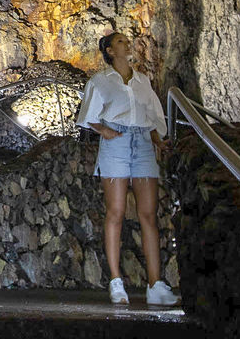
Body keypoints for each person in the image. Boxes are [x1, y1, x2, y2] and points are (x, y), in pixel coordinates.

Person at [74, 32, 180, 306]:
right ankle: (116, 281)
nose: (127, 43)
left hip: (143, 141)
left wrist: (158, 140)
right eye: (120, 41)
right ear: (109, 50)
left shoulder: (143, 81)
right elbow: (87, 115)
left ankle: (155, 284)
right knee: (116, 212)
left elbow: (154, 116)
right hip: (116, 142)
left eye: (126, 40)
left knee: (148, 214)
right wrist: (105, 131)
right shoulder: (100, 81)